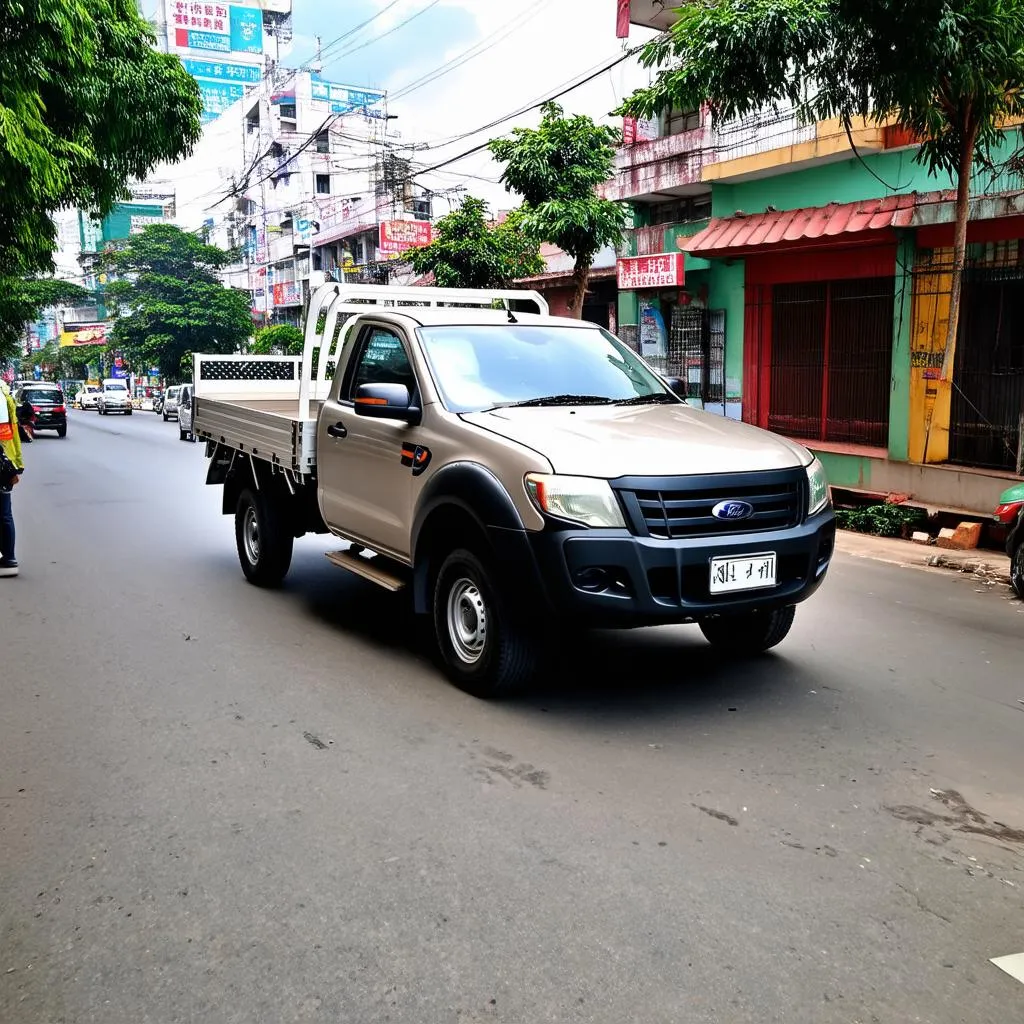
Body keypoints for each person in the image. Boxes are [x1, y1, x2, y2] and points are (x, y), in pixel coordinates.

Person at [0, 379, 24, 576]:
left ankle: (8, 558)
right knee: (4, 512)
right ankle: (9, 558)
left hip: (3, 461)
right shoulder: (4, 393)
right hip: (6, 461)